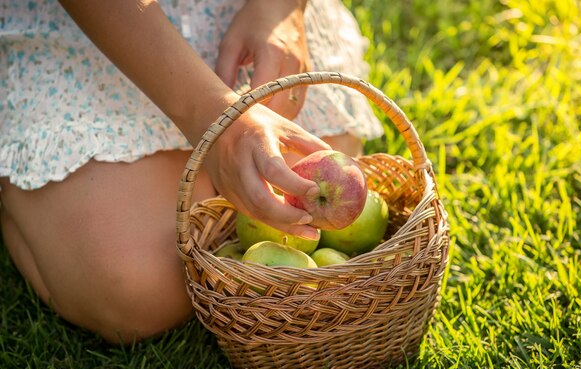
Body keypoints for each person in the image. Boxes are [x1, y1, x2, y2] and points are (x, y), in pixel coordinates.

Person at [0, 0, 383, 344]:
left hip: (236, 13)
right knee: (143, 288)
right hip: (105, 26)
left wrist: (280, 11)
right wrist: (211, 114)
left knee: (245, 210)